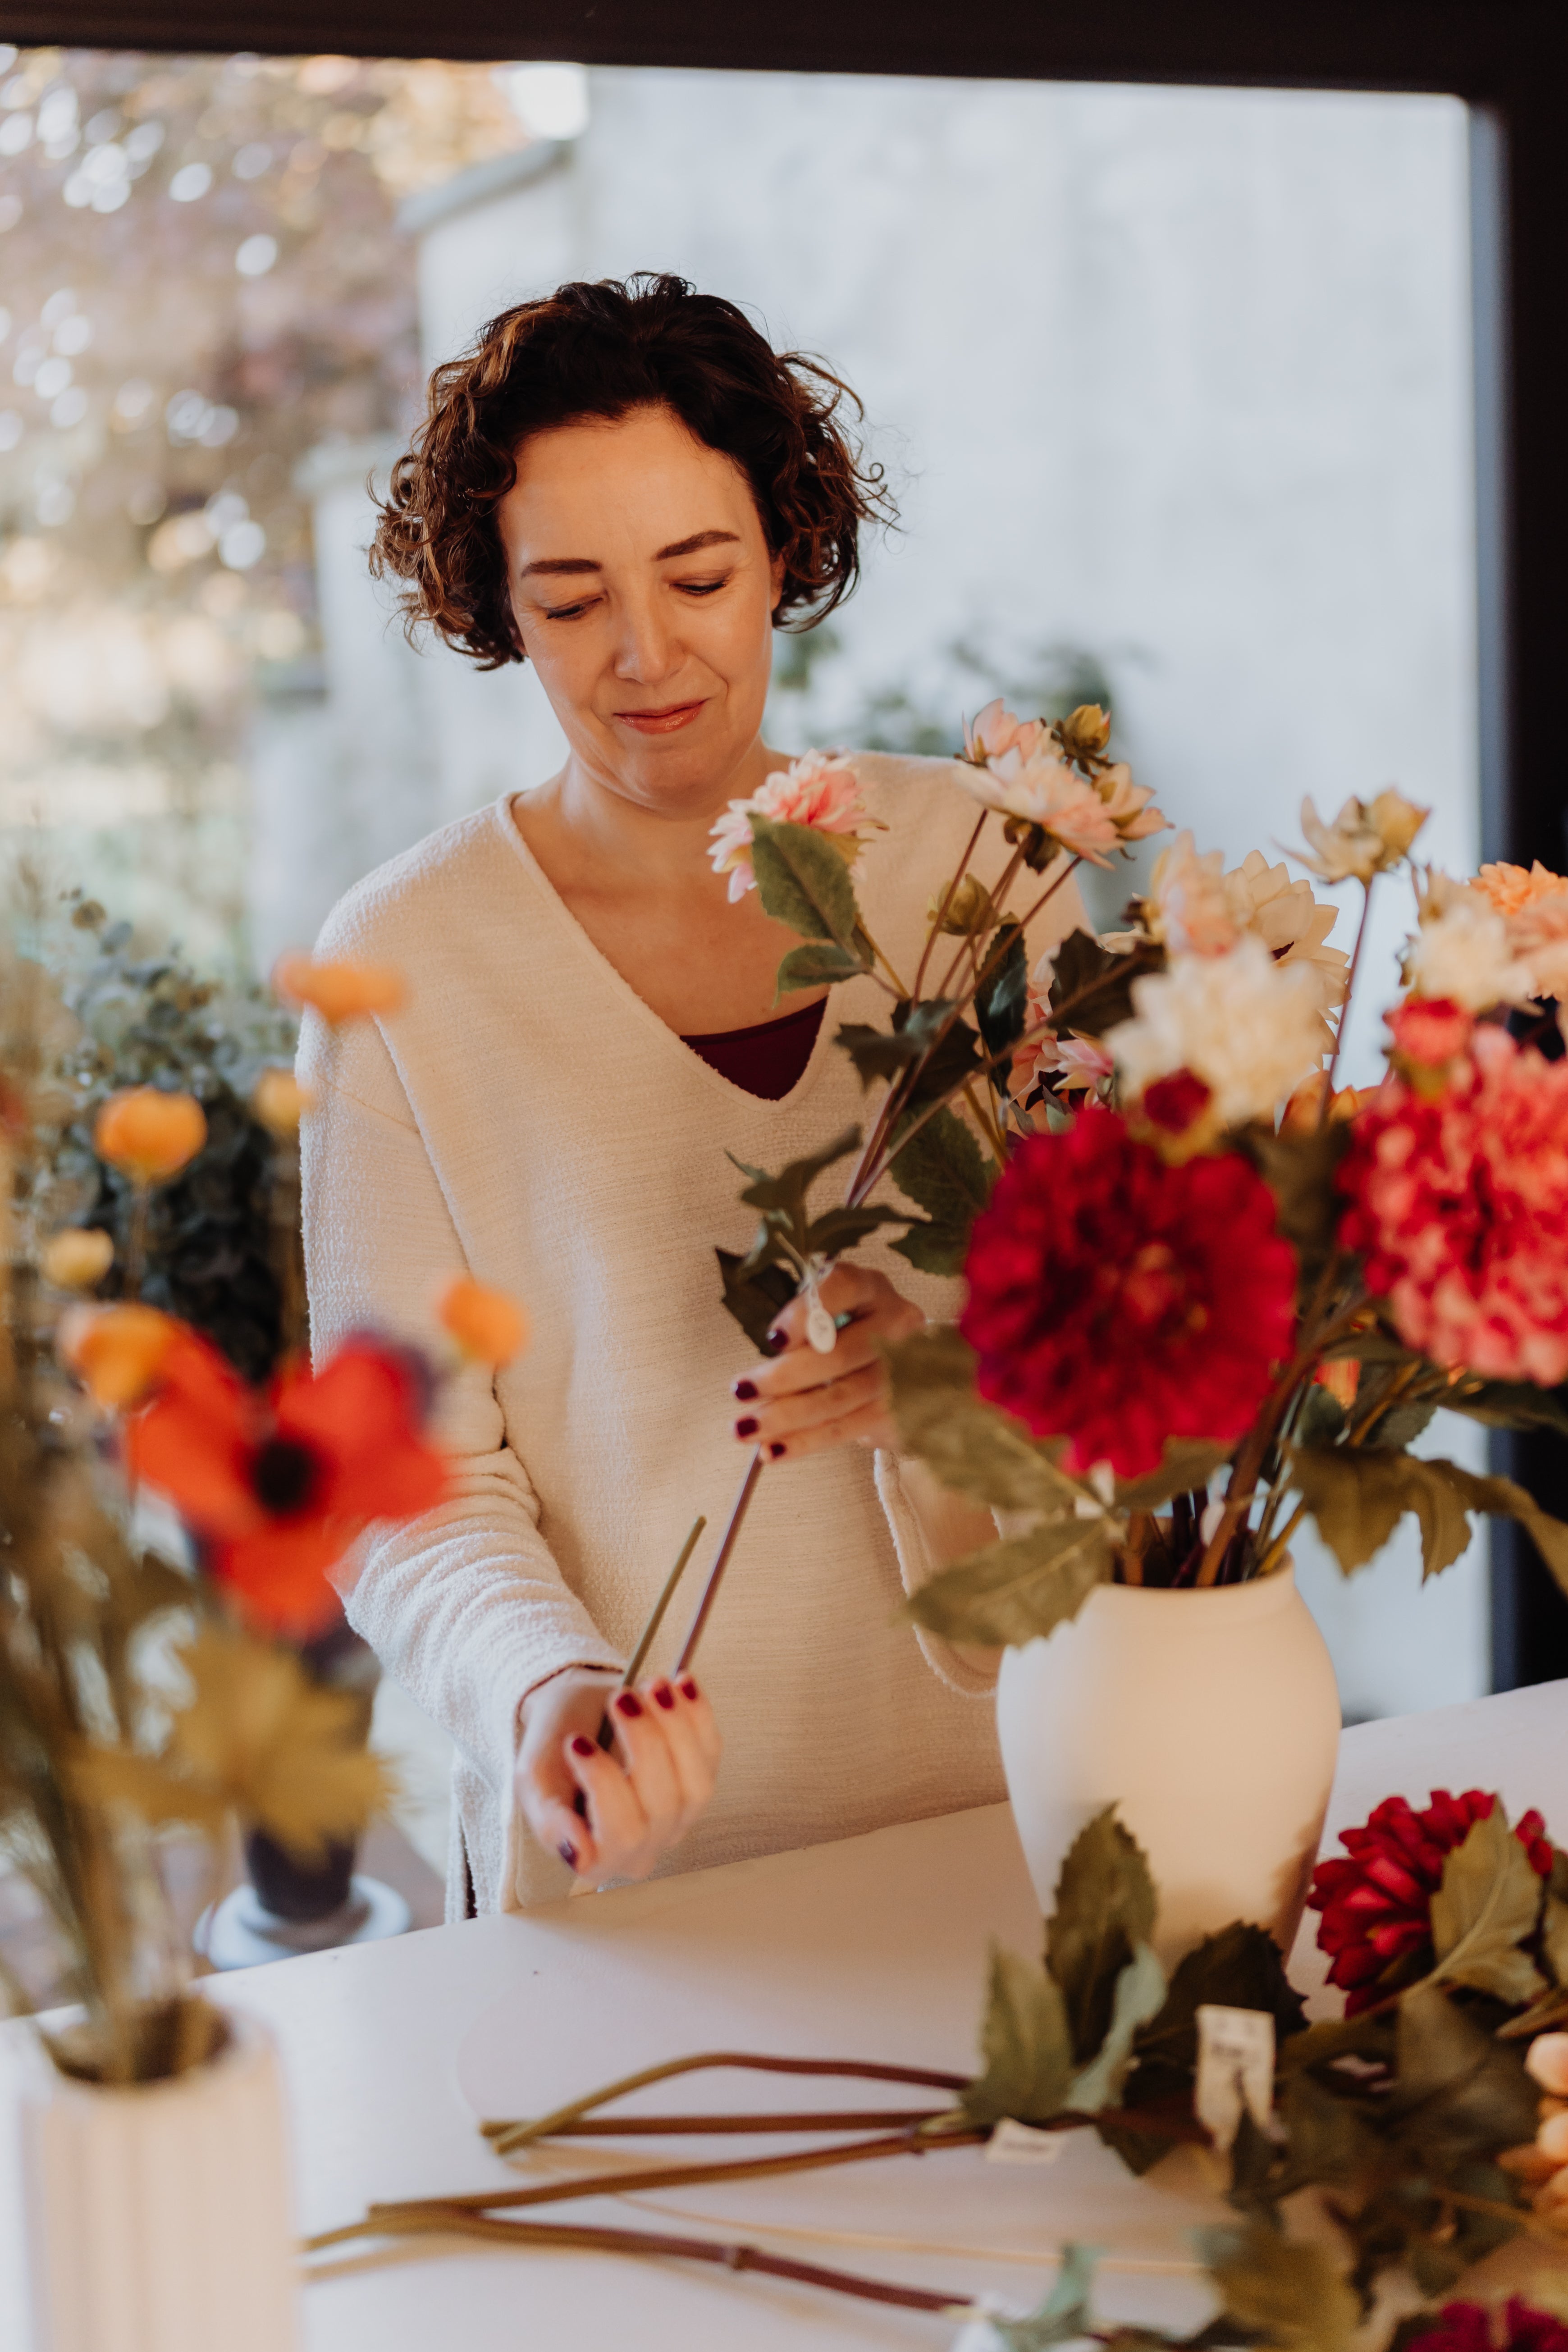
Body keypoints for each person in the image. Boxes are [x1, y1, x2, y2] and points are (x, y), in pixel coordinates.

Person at [300, 273, 1087, 1917]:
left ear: (786, 553)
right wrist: (540, 1686)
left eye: (700, 575)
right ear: (499, 607)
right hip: (633, 1887)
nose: (645, 654)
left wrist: (944, 1394)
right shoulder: (401, 966)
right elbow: (404, 1480)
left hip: (1020, 1812)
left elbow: (1131, 1336)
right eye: (571, 598)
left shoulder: (982, 870)